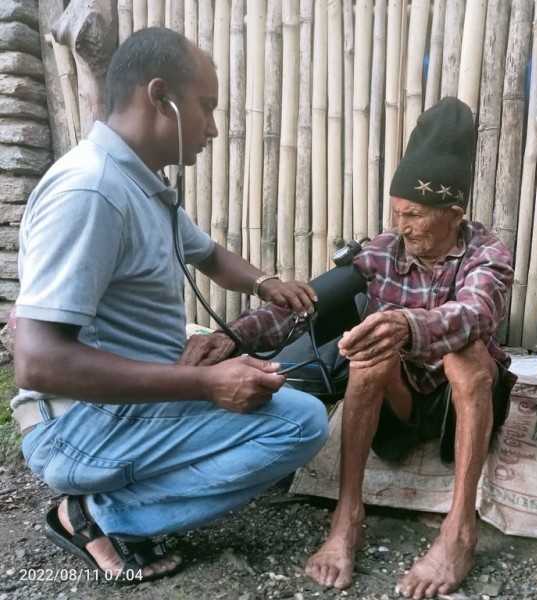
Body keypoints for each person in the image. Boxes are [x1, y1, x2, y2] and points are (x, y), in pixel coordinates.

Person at [11, 27, 328, 583]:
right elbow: (38, 362)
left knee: (278, 404)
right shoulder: (92, 192)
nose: (211, 128)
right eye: (205, 108)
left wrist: (265, 283)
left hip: (114, 409)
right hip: (77, 425)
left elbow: (207, 255)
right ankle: (94, 514)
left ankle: (116, 497)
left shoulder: (140, 186)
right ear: (160, 98)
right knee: (296, 424)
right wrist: (206, 384)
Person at [182, 96, 518, 599]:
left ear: (454, 213)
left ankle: (459, 529)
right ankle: (347, 517)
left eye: (415, 216)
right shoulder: (382, 251)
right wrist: (231, 338)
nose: (401, 226)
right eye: (397, 212)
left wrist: (407, 324)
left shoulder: (487, 253)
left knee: (467, 353)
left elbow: (477, 314)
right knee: (368, 349)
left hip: (459, 412)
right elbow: (301, 305)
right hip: (399, 411)